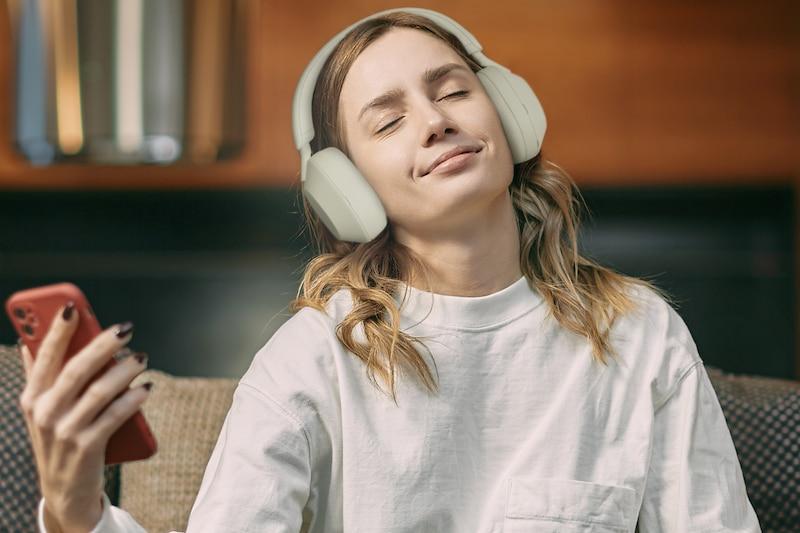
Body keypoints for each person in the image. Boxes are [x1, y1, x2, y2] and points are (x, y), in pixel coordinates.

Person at [21, 8, 761, 533]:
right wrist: (76, 511)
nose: (434, 120)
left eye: (452, 90)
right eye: (388, 119)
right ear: (347, 187)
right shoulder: (311, 362)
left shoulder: (638, 335)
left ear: (506, 110)